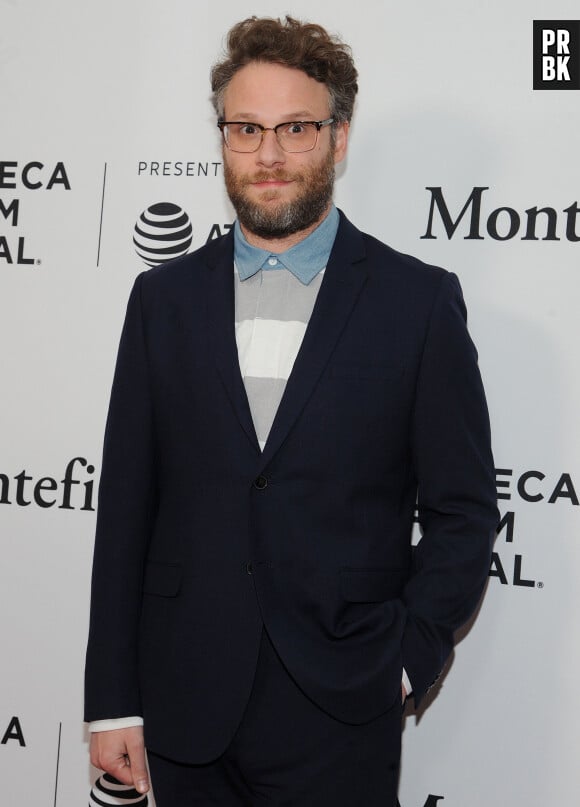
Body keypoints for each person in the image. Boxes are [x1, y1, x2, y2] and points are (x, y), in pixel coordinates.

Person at [85, 16, 498, 807]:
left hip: (341, 707)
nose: (268, 154)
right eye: (246, 129)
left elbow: (464, 510)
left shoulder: (417, 303)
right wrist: (112, 697)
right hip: (184, 705)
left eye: (296, 128)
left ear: (338, 138)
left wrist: (408, 657)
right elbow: (126, 510)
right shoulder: (161, 301)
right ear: (224, 138)